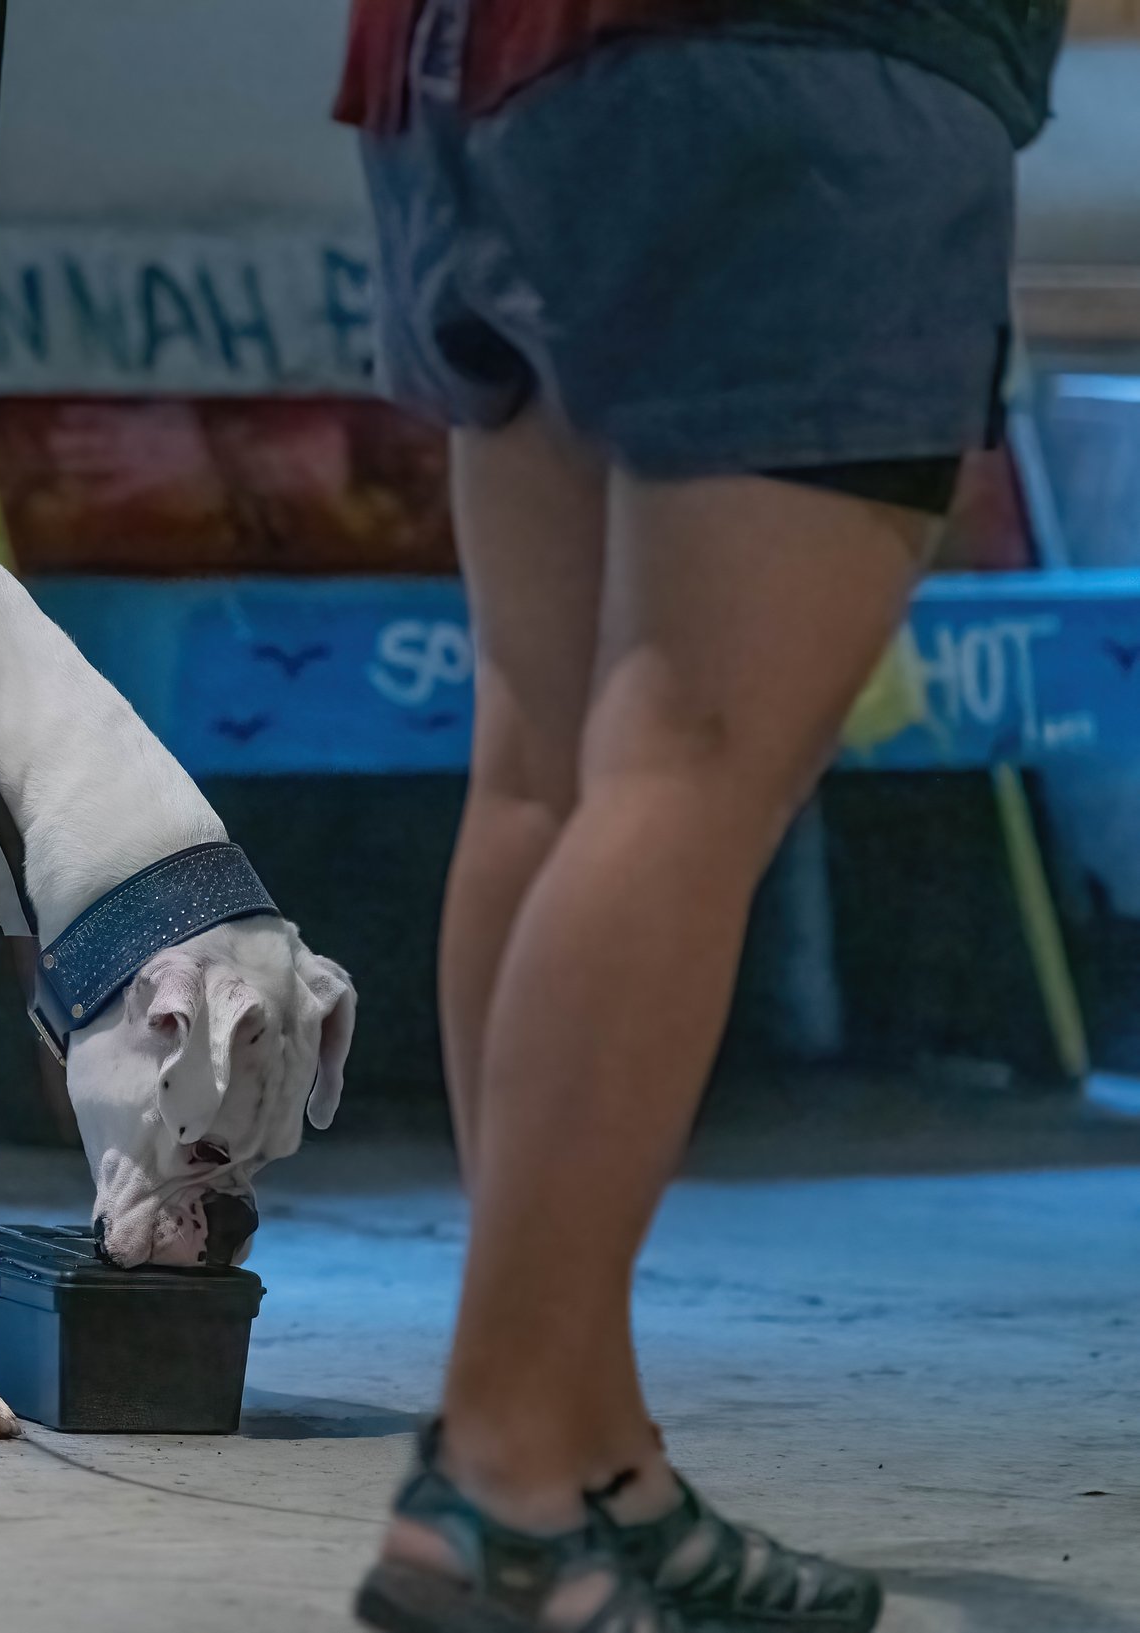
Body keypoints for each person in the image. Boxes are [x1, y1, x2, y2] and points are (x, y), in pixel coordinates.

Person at [334, 1, 1068, 1629]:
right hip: (793, 62)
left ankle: (586, 1452)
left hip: (466, 70)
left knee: (548, 768)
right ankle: (510, 1480)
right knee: (692, 759)